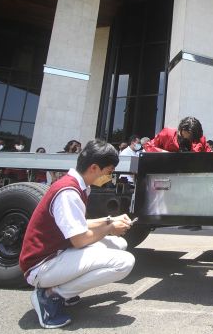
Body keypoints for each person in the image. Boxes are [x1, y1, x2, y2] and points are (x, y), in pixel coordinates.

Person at [19, 139, 135, 329]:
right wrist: (110, 227)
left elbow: (78, 225)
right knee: (125, 262)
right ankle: (51, 295)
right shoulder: (68, 192)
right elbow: (80, 239)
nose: (109, 176)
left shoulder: (74, 185)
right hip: (41, 266)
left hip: (55, 254)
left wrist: (110, 220)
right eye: (109, 171)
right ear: (94, 168)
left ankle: (63, 290)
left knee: (119, 245)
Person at [144, 116, 212, 153]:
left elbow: (211, 156)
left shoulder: (200, 139)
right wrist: (164, 153)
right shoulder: (167, 134)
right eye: (184, 136)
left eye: (191, 138)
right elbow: (148, 146)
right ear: (180, 130)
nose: (187, 140)